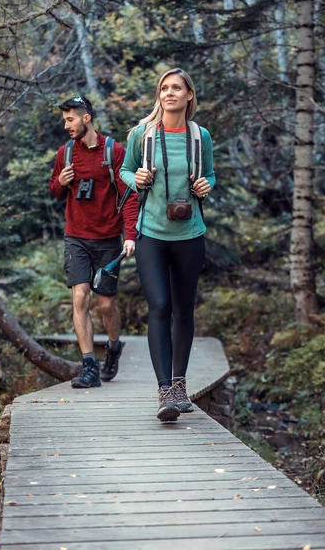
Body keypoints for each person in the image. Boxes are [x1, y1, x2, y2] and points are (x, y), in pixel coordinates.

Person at [120, 68, 215, 422]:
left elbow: (211, 174)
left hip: (190, 235)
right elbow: (124, 170)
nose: (169, 93)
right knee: (159, 305)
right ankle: (164, 391)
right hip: (151, 235)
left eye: (176, 88)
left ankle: (179, 384)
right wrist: (137, 178)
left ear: (189, 94)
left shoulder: (199, 135)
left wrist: (206, 185)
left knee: (184, 309)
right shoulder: (141, 134)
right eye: (164, 88)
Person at [50, 95, 138, 388]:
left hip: (108, 238)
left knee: (106, 304)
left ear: (85, 118)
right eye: (64, 120)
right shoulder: (64, 153)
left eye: (70, 119)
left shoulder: (114, 151)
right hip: (76, 236)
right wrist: (60, 183)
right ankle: (89, 365)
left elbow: (128, 195)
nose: (66, 125)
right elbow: (55, 191)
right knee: (79, 296)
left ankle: (113, 346)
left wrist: (130, 235)